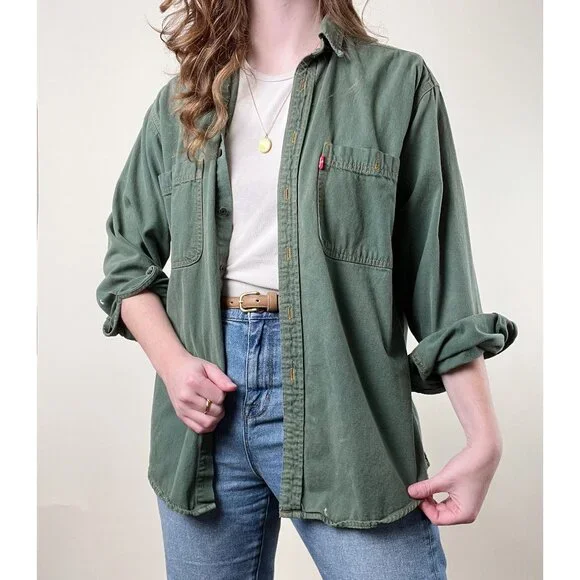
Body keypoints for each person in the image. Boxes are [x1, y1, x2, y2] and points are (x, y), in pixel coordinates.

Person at [96, 1, 518, 578]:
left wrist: (483, 438)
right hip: (202, 418)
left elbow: (440, 276)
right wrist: (174, 366)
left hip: (344, 400)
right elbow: (127, 263)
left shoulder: (397, 84)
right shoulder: (183, 103)